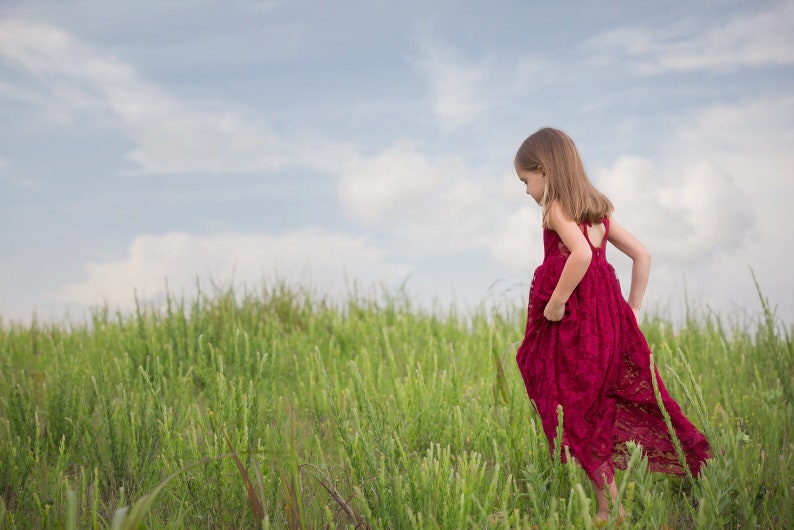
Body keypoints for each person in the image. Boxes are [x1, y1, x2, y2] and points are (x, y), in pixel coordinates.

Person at [513, 127, 711, 523]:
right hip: (610, 327)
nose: (526, 191)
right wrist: (633, 308)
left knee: (571, 407)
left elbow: (582, 255)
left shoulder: (556, 210)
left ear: (545, 172)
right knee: (599, 407)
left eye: (526, 181)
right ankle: (623, 500)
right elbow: (643, 255)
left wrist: (556, 302)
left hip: (576, 330)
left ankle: (610, 509)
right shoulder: (598, 213)